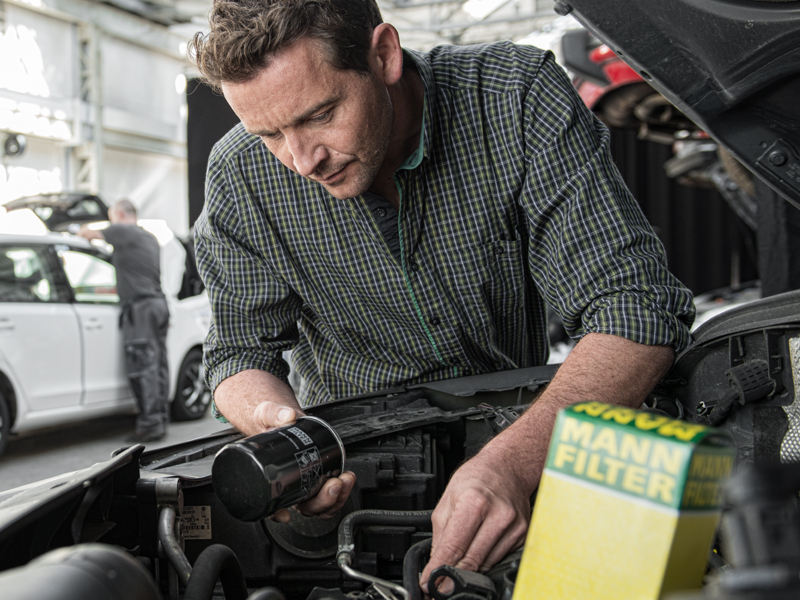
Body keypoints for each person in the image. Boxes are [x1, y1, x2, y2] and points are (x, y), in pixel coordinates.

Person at [188, 0, 695, 591]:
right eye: (270, 135)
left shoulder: (512, 97)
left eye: (321, 115)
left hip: (535, 440)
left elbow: (635, 307)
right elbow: (238, 355)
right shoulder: (239, 176)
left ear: (384, 55)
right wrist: (278, 428)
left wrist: (514, 463)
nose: (302, 161)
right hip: (356, 476)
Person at [79, 199, 170, 442]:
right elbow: (131, 268)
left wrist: (80, 231)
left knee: (143, 366)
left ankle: (150, 425)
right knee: (158, 364)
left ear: (119, 214)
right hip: (157, 305)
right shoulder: (148, 238)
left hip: (141, 309)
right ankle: (160, 418)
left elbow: (87, 233)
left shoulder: (123, 231)